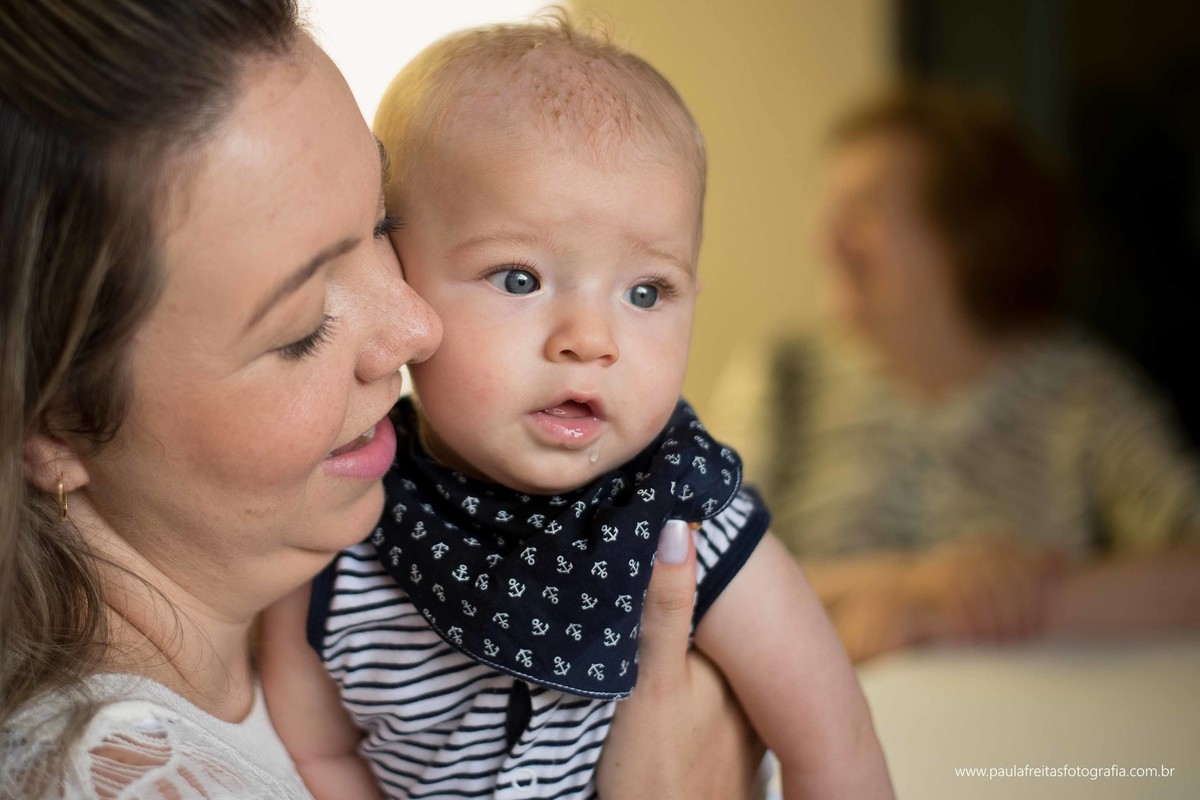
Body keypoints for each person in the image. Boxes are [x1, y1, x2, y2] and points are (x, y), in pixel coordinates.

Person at [0, 2, 770, 797]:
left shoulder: (335, 594)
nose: (417, 328)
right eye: (301, 327)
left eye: (380, 227)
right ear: (55, 419)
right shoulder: (127, 778)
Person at [261, 19, 894, 800]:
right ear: (399, 279)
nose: (591, 341)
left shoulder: (688, 517)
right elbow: (317, 752)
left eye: (645, 292)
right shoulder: (345, 522)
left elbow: (834, 748)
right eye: (519, 279)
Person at [711, 83, 1200, 663]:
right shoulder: (784, 373)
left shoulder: (1083, 392)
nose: (826, 239)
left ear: (970, 232)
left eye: (863, 210)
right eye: (831, 208)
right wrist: (919, 582)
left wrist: (963, 615)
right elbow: (697, 567)